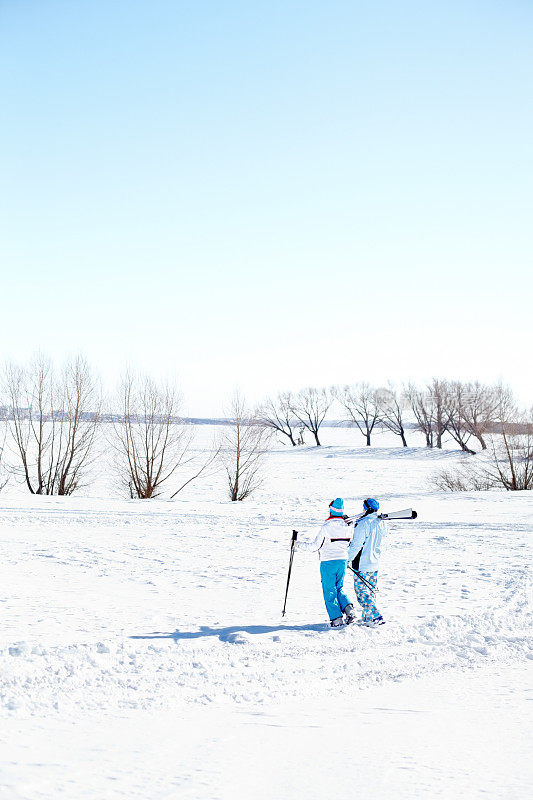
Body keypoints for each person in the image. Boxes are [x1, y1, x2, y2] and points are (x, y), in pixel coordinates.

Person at [297, 498, 357, 627]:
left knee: (329, 590)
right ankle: (349, 610)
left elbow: (314, 546)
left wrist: (298, 545)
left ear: (331, 511)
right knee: (338, 587)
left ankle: (336, 619)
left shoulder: (326, 527)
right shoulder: (348, 527)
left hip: (328, 562)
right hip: (342, 561)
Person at [347, 498, 388, 626]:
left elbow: (356, 545)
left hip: (362, 563)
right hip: (374, 562)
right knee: (370, 591)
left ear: (367, 509)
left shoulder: (363, 523)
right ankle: (367, 618)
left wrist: (347, 559)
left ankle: (376, 616)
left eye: (364, 507)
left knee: (362, 593)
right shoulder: (381, 523)